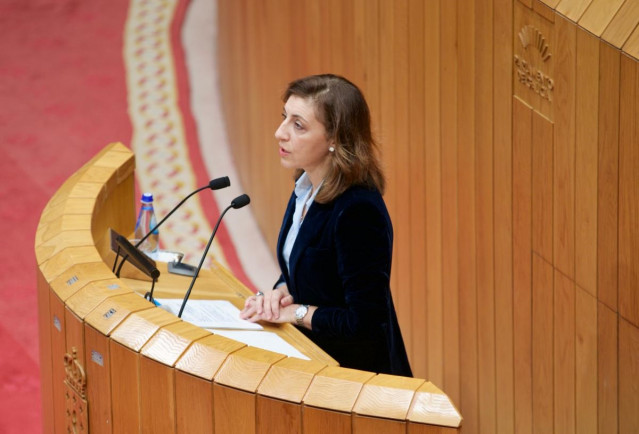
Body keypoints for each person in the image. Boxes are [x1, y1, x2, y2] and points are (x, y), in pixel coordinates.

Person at [240, 74, 412, 376]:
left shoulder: (358, 212)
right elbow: (313, 269)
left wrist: (298, 312)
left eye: (298, 125)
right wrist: (283, 290)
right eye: (285, 118)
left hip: (355, 378)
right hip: (314, 358)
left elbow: (365, 323)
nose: (279, 133)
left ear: (335, 139)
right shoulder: (306, 185)